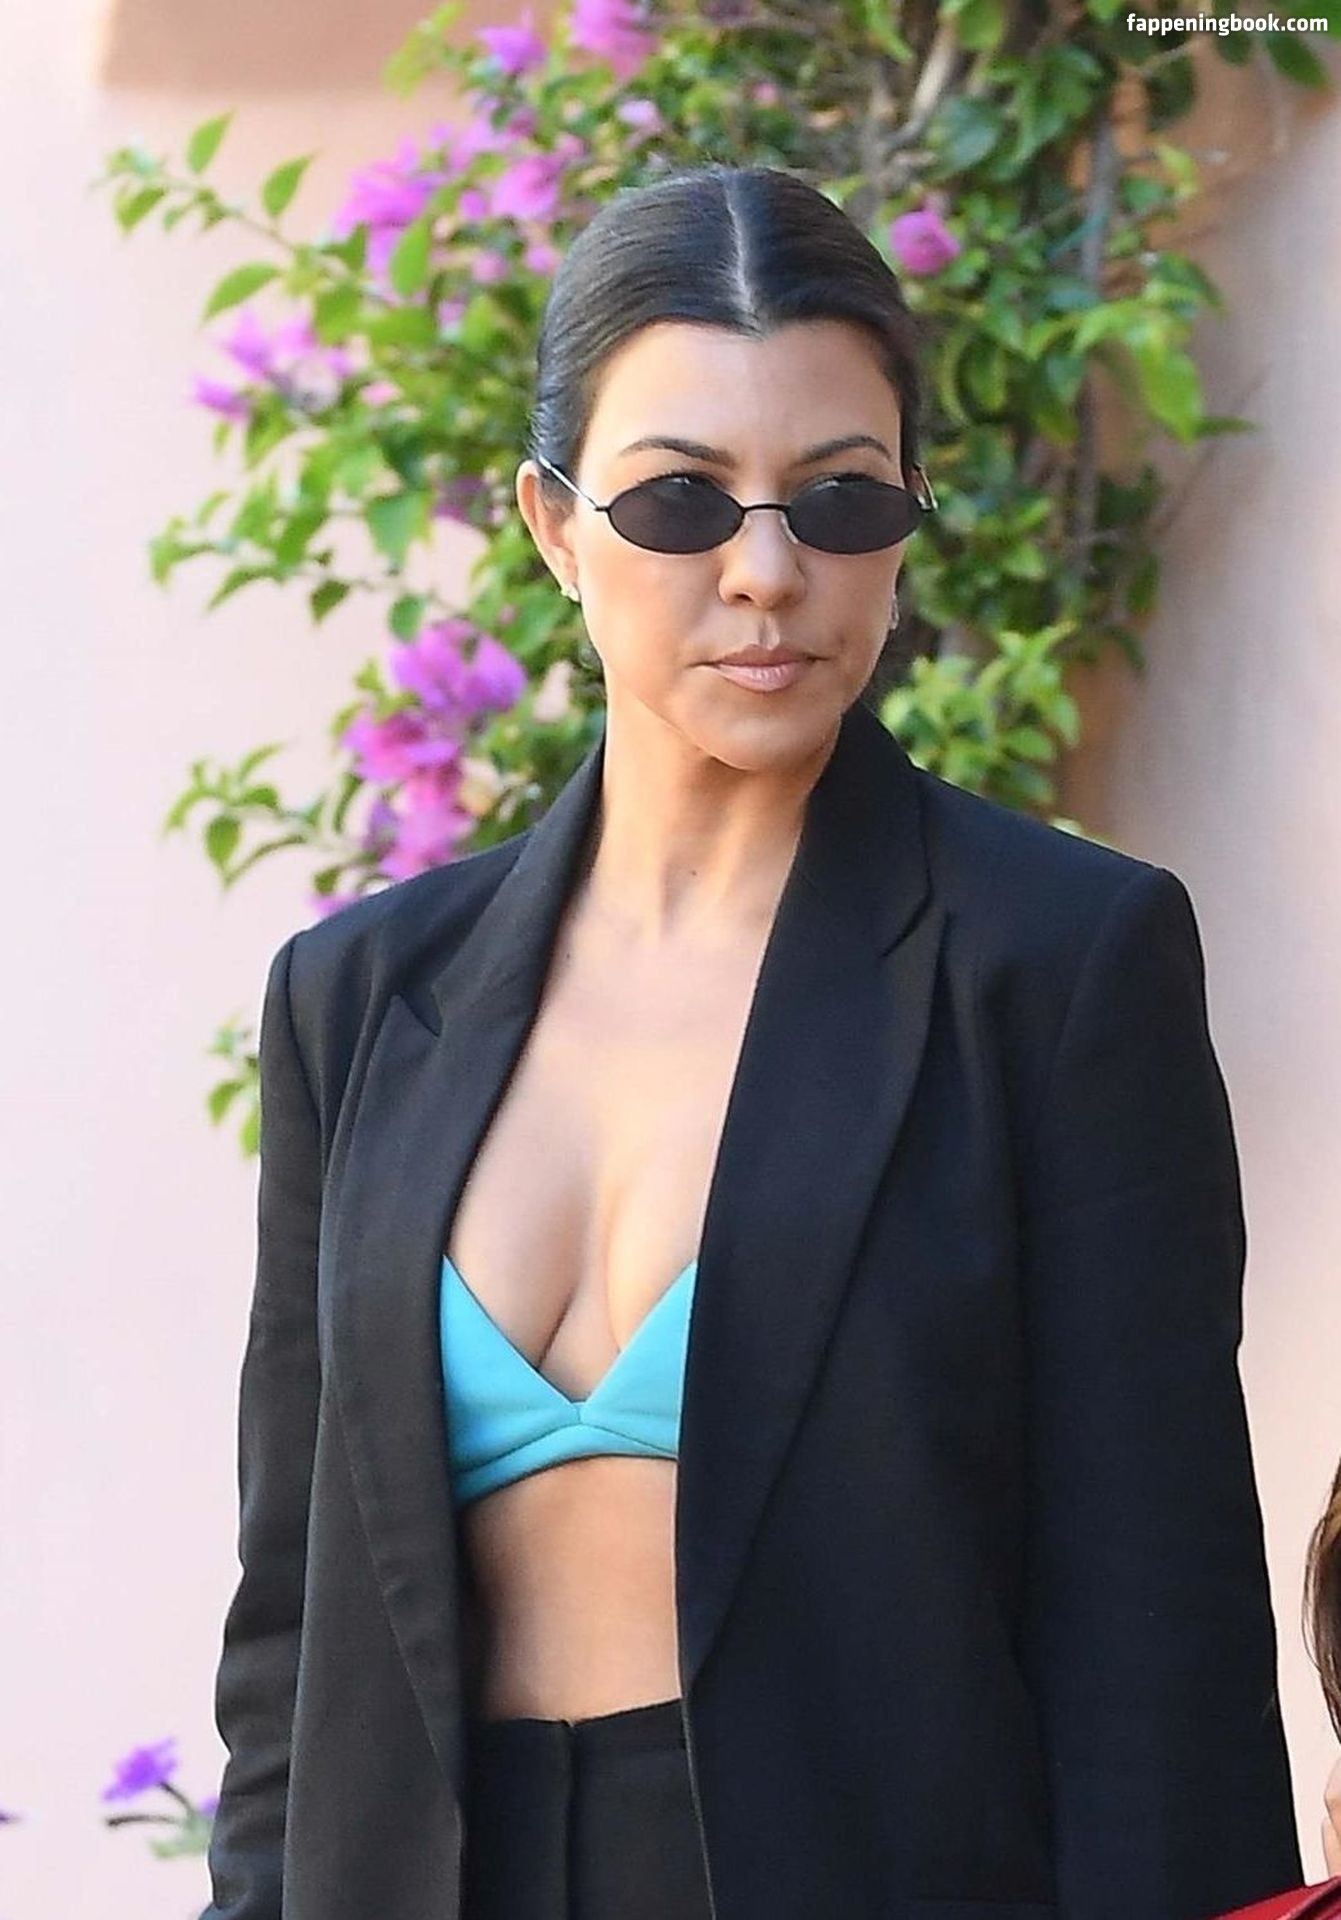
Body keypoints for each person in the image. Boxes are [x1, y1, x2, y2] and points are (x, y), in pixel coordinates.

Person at [200, 163, 1303, 1920]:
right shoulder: (359, 998)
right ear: (552, 527)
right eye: (678, 503)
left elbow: (1156, 1639)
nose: (768, 574)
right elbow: (293, 1632)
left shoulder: (1051, 967)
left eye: (840, 500)